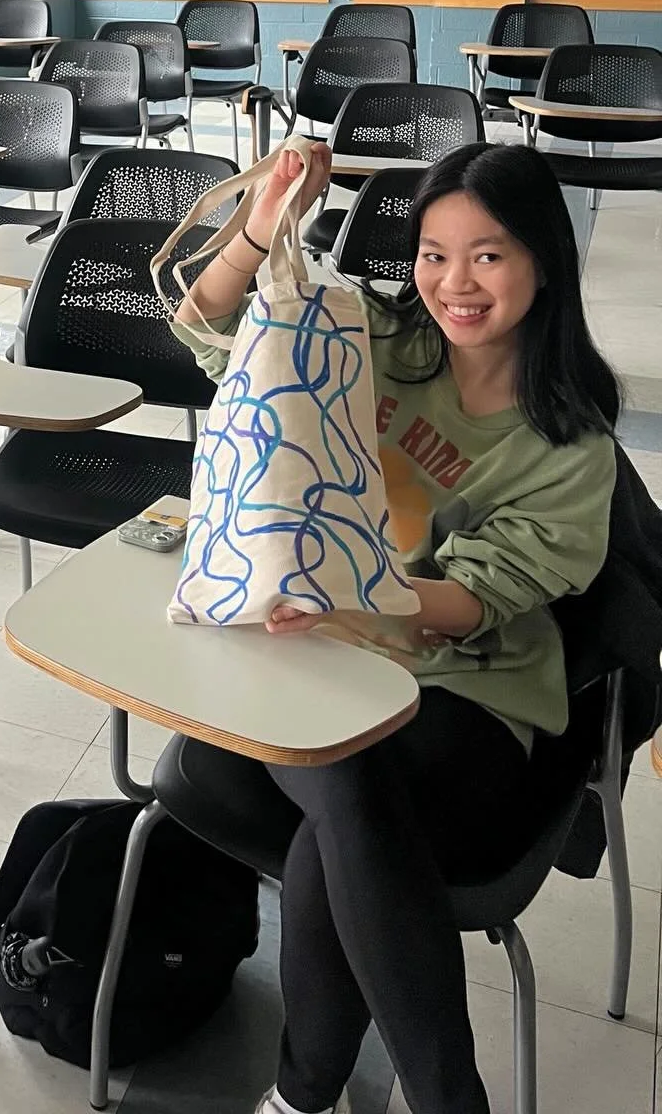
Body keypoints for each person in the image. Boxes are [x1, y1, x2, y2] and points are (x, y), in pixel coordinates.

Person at [174, 140, 619, 1114]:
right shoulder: (376, 336)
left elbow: (479, 597)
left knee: (344, 797)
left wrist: (348, 592)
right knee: (345, 776)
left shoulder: (571, 436)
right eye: (433, 253)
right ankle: (437, 1096)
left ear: (545, 257)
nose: (454, 283)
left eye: (488, 255)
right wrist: (265, 223)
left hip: (471, 695)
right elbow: (205, 323)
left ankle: (306, 1096)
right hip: (312, 659)